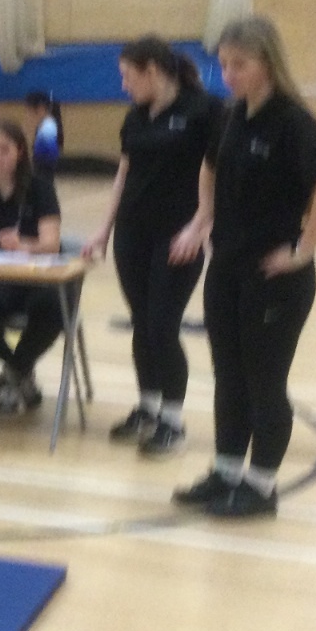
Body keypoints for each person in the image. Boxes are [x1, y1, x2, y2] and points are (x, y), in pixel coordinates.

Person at [170, 16, 316, 519]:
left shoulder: (293, 122)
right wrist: (202, 219)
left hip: (276, 278)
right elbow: (209, 168)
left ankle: (262, 485)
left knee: (263, 381)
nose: (228, 75)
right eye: (224, 65)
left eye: (239, 65)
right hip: (226, 269)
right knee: (229, 377)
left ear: (267, 62)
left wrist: (303, 250)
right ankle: (227, 472)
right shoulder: (230, 115)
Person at [83, 37, 225, 457]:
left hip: (178, 235)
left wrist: (200, 226)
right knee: (142, 324)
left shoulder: (205, 110)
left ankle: (173, 421)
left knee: (163, 324)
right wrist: (104, 229)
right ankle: (148, 408)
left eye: (128, 76)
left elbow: (219, 173)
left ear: (152, 71)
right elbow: (124, 174)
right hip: (133, 233)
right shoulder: (135, 116)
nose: (123, 85)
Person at [0, 120, 64, 415]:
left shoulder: (40, 187)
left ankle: (11, 375)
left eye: (4, 150)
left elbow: (51, 244)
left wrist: (24, 245)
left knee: (51, 309)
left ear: (19, 152)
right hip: (4, 278)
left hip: (40, 278)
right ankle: (19, 370)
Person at [25, 89, 63, 180]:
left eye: (29, 111)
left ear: (40, 108)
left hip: (44, 171)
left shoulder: (48, 127)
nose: (28, 115)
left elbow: (49, 155)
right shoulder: (45, 125)